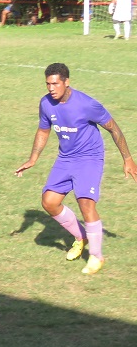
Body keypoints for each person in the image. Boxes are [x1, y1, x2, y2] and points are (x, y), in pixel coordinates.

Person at [14, 62, 137, 275]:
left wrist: (127, 158)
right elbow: (43, 131)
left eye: (55, 83)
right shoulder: (46, 103)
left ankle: (96, 257)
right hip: (66, 157)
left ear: (66, 82)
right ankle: (81, 236)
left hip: (89, 157)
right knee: (49, 202)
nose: (51, 88)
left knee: (85, 202)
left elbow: (113, 128)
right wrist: (33, 158)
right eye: (48, 84)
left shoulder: (87, 104)